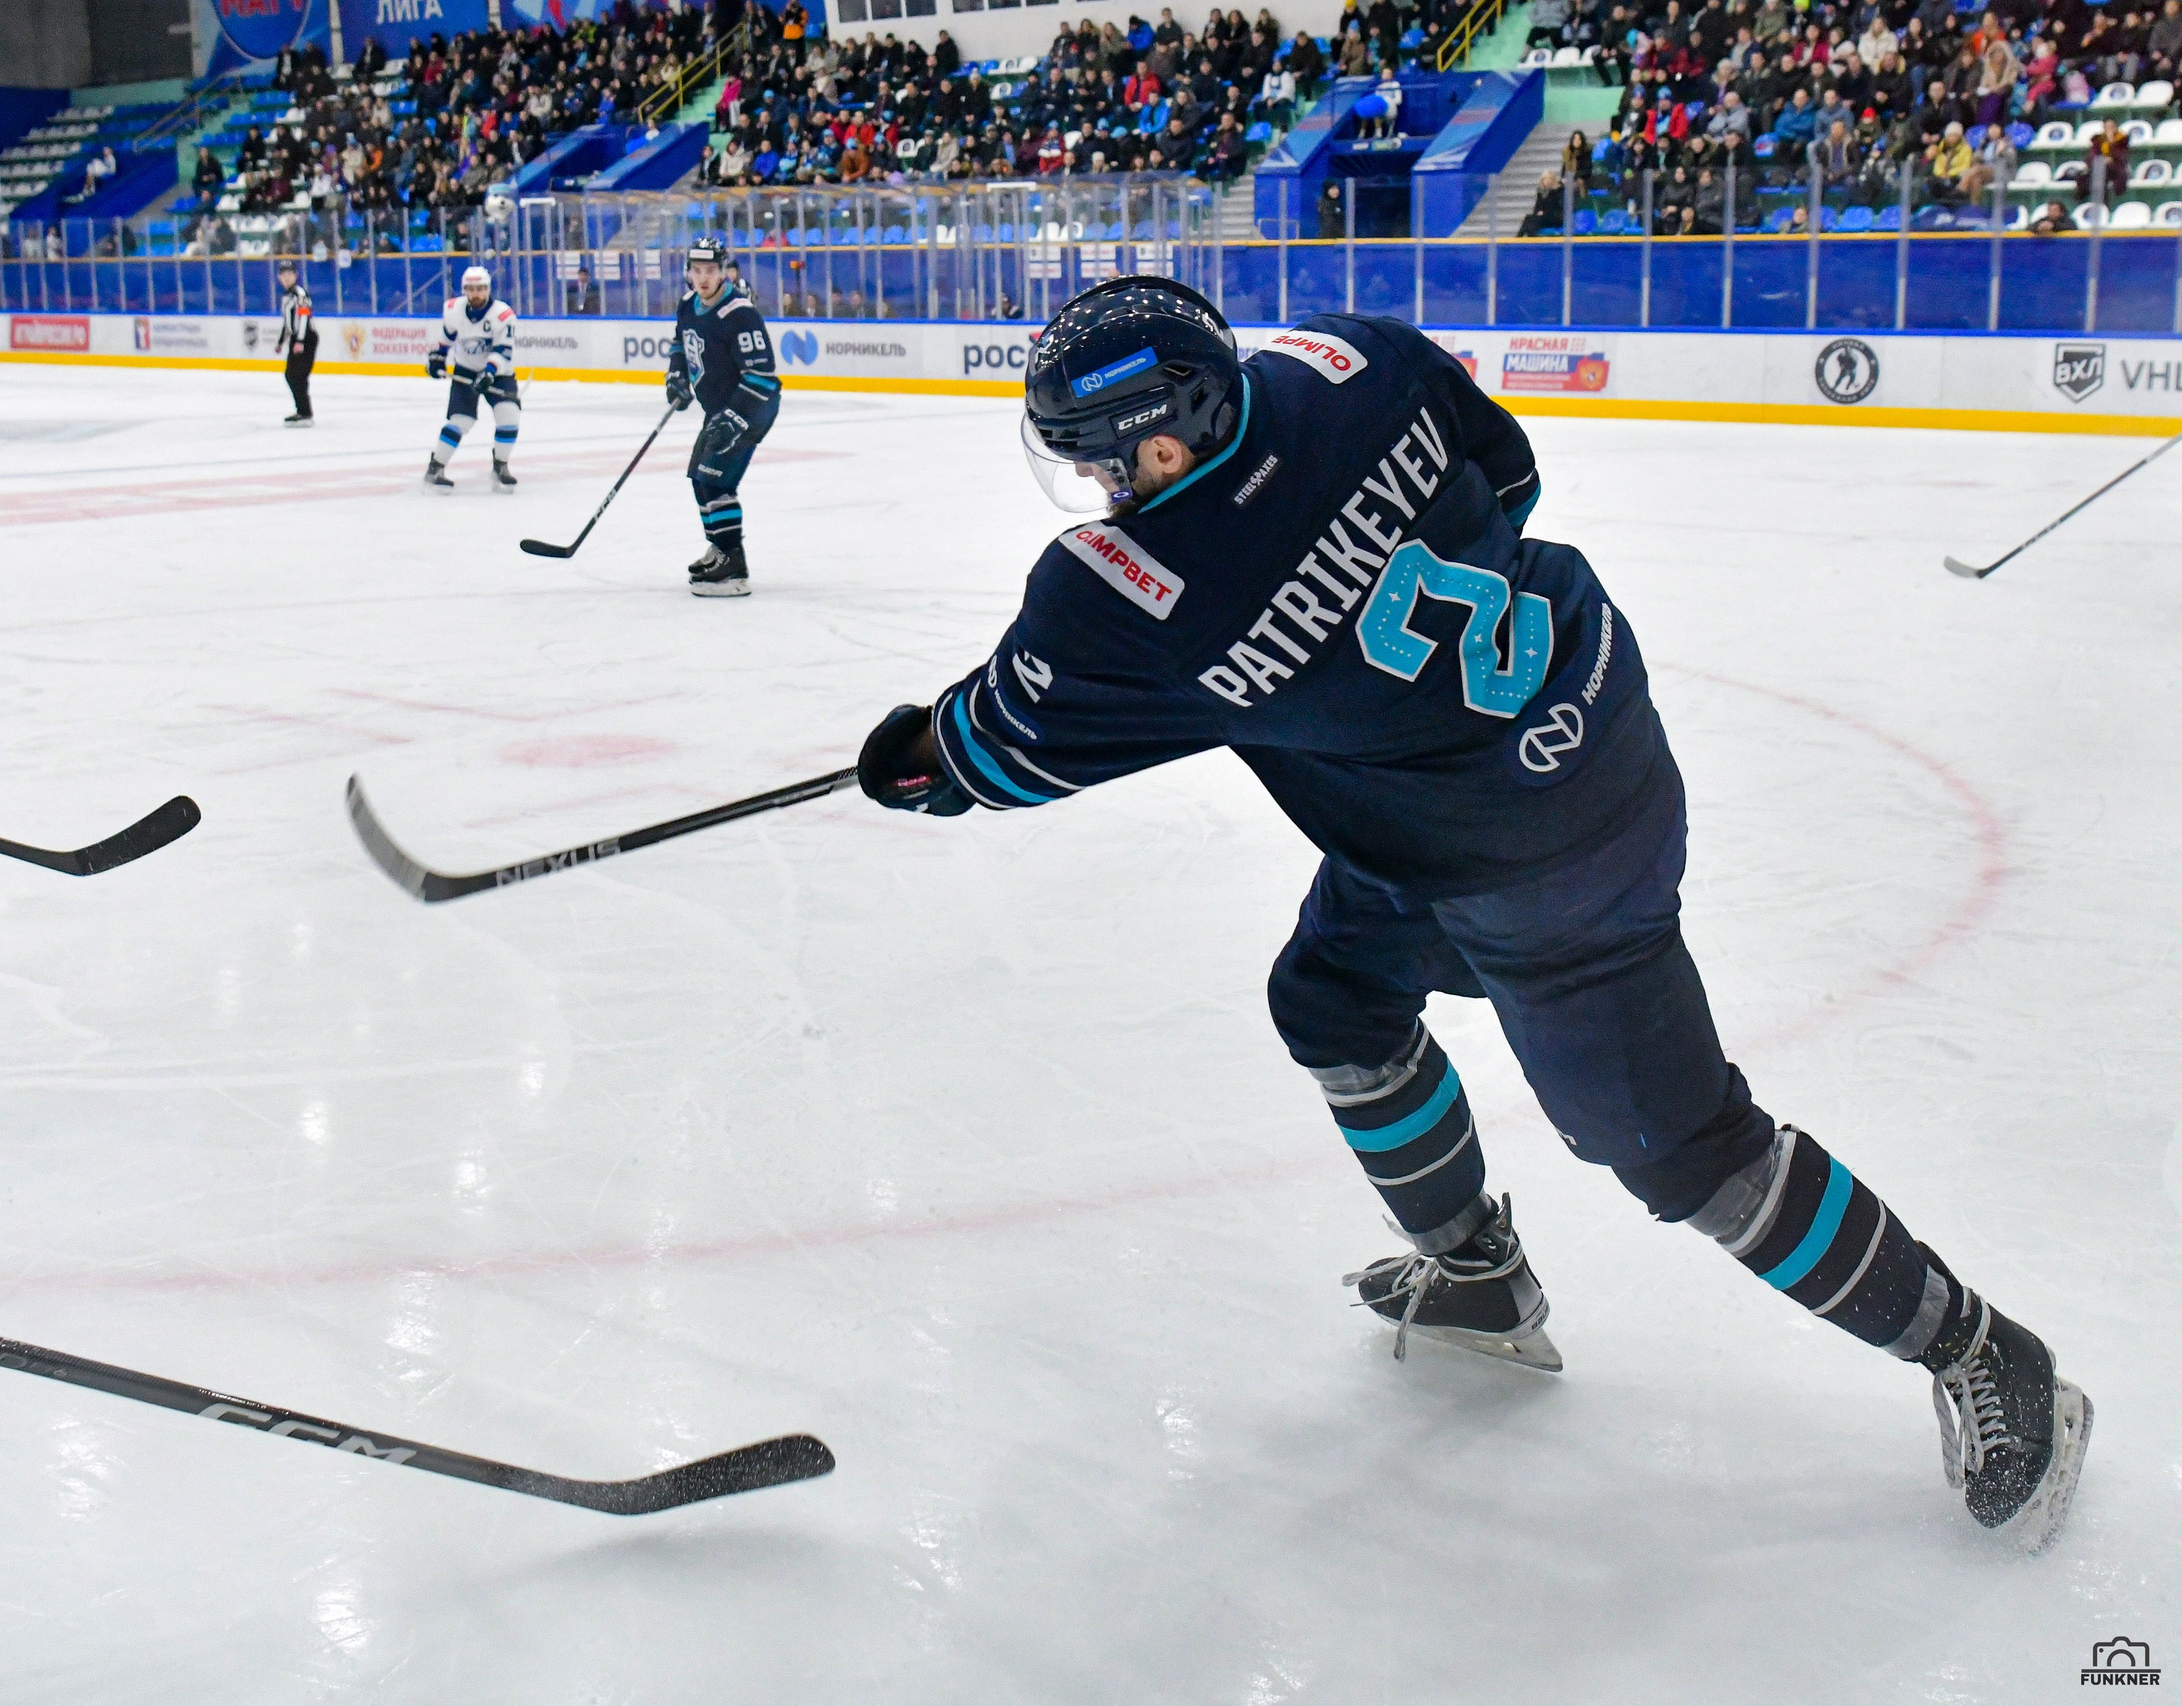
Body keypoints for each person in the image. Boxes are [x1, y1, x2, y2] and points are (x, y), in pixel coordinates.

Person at [850, 277, 2092, 1552]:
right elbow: (1507, 479)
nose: (1107, 486)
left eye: (1115, 458)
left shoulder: (1126, 591)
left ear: (1174, 425)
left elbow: (998, 752)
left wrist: (909, 758)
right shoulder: (1353, 358)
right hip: (1564, 713)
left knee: (1680, 1149)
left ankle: (1988, 1351)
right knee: (1331, 997)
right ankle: (1479, 1275)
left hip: (1540, 856)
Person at [663, 236, 780, 597]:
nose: (703, 278)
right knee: (700, 478)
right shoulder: (687, 304)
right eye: (696, 270)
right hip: (719, 409)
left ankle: (734, 564)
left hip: (751, 408)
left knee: (716, 481)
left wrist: (733, 418)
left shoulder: (739, 313)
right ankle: (719, 549)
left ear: (724, 271)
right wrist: (676, 376)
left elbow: (762, 375)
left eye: (711, 270)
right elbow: (681, 345)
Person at [423, 265, 520, 492]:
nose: (476, 294)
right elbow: (446, 338)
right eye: (471, 289)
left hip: (499, 373)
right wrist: (437, 358)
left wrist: (489, 372)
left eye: (480, 289)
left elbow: (503, 351)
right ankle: (435, 466)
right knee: (460, 421)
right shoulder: (453, 309)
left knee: (509, 417)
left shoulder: (503, 314)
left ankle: (501, 465)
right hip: (465, 370)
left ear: (488, 289)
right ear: (465, 290)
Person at [273, 258, 316, 427]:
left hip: (306, 338)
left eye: (290, 274)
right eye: (283, 274)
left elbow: (304, 316)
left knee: (297, 375)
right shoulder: (286, 297)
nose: (286, 278)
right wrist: (280, 341)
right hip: (295, 339)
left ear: (296, 275)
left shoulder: (300, 294)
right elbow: (288, 323)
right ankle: (302, 411)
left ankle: (305, 412)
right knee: (291, 375)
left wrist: (300, 340)